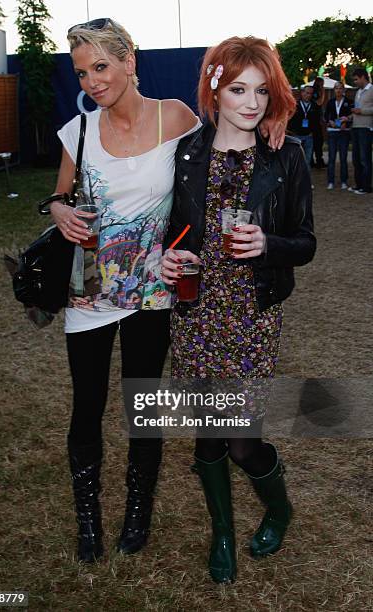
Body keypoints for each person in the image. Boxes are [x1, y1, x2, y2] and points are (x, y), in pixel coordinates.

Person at [47, 18, 287, 565]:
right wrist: (59, 208)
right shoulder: (76, 132)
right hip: (91, 295)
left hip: (155, 295)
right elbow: (57, 197)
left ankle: (138, 513)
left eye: (102, 67)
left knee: (143, 408)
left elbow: (234, 120)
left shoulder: (176, 117)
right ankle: (89, 523)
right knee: (86, 409)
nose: (92, 82)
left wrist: (273, 123)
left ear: (131, 61)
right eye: (82, 72)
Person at [161, 36, 316, 584]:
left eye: (261, 91)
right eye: (238, 89)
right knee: (208, 433)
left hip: (252, 314)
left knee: (243, 440)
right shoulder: (185, 153)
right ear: (215, 89)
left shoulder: (287, 154)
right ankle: (222, 532)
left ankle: (278, 507)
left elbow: (306, 241)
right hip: (197, 312)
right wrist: (167, 257)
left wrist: (268, 244)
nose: (251, 103)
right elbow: (169, 229)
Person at [348, 68, 373, 195]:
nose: (355, 82)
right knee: (356, 158)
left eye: (356, 79)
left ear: (363, 77)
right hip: (355, 127)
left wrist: (361, 111)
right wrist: (348, 117)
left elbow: (364, 110)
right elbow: (357, 109)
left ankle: (367, 187)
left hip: (366, 128)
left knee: (365, 158)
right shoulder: (358, 92)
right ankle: (359, 185)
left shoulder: (372, 90)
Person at [324, 81, 352, 190]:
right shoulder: (330, 102)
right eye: (336, 88)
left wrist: (346, 123)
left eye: (340, 88)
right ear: (334, 90)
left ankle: (344, 181)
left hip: (344, 133)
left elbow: (352, 115)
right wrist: (329, 121)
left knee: (343, 157)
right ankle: (330, 181)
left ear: (343, 90)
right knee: (331, 158)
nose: (338, 90)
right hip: (332, 131)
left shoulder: (349, 102)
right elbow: (326, 115)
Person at [288, 85, 319, 169]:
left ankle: (306, 182)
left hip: (309, 136)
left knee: (307, 161)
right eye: (307, 93)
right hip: (297, 136)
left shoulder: (314, 106)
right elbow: (289, 119)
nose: (308, 95)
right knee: (296, 161)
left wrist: (313, 132)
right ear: (302, 93)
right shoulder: (294, 104)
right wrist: (292, 132)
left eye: (310, 94)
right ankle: (296, 182)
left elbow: (316, 121)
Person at [311, 76, 327, 168]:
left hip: (316, 120)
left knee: (317, 141)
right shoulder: (316, 91)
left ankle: (315, 160)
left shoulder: (316, 91)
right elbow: (319, 103)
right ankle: (318, 161)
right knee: (317, 141)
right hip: (314, 121)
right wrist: (323, 92)